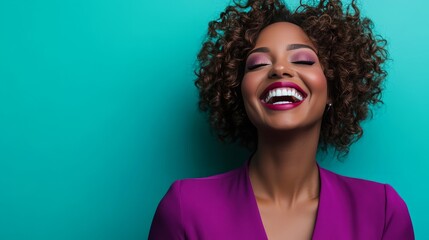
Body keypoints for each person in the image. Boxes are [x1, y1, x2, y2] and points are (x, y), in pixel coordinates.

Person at [148, 0, 414, 239]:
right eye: (258, 64)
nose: (280, 69)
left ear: (333, 88)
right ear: (238, 91)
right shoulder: (184, 209)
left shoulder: (382, 213)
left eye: (303, 60)